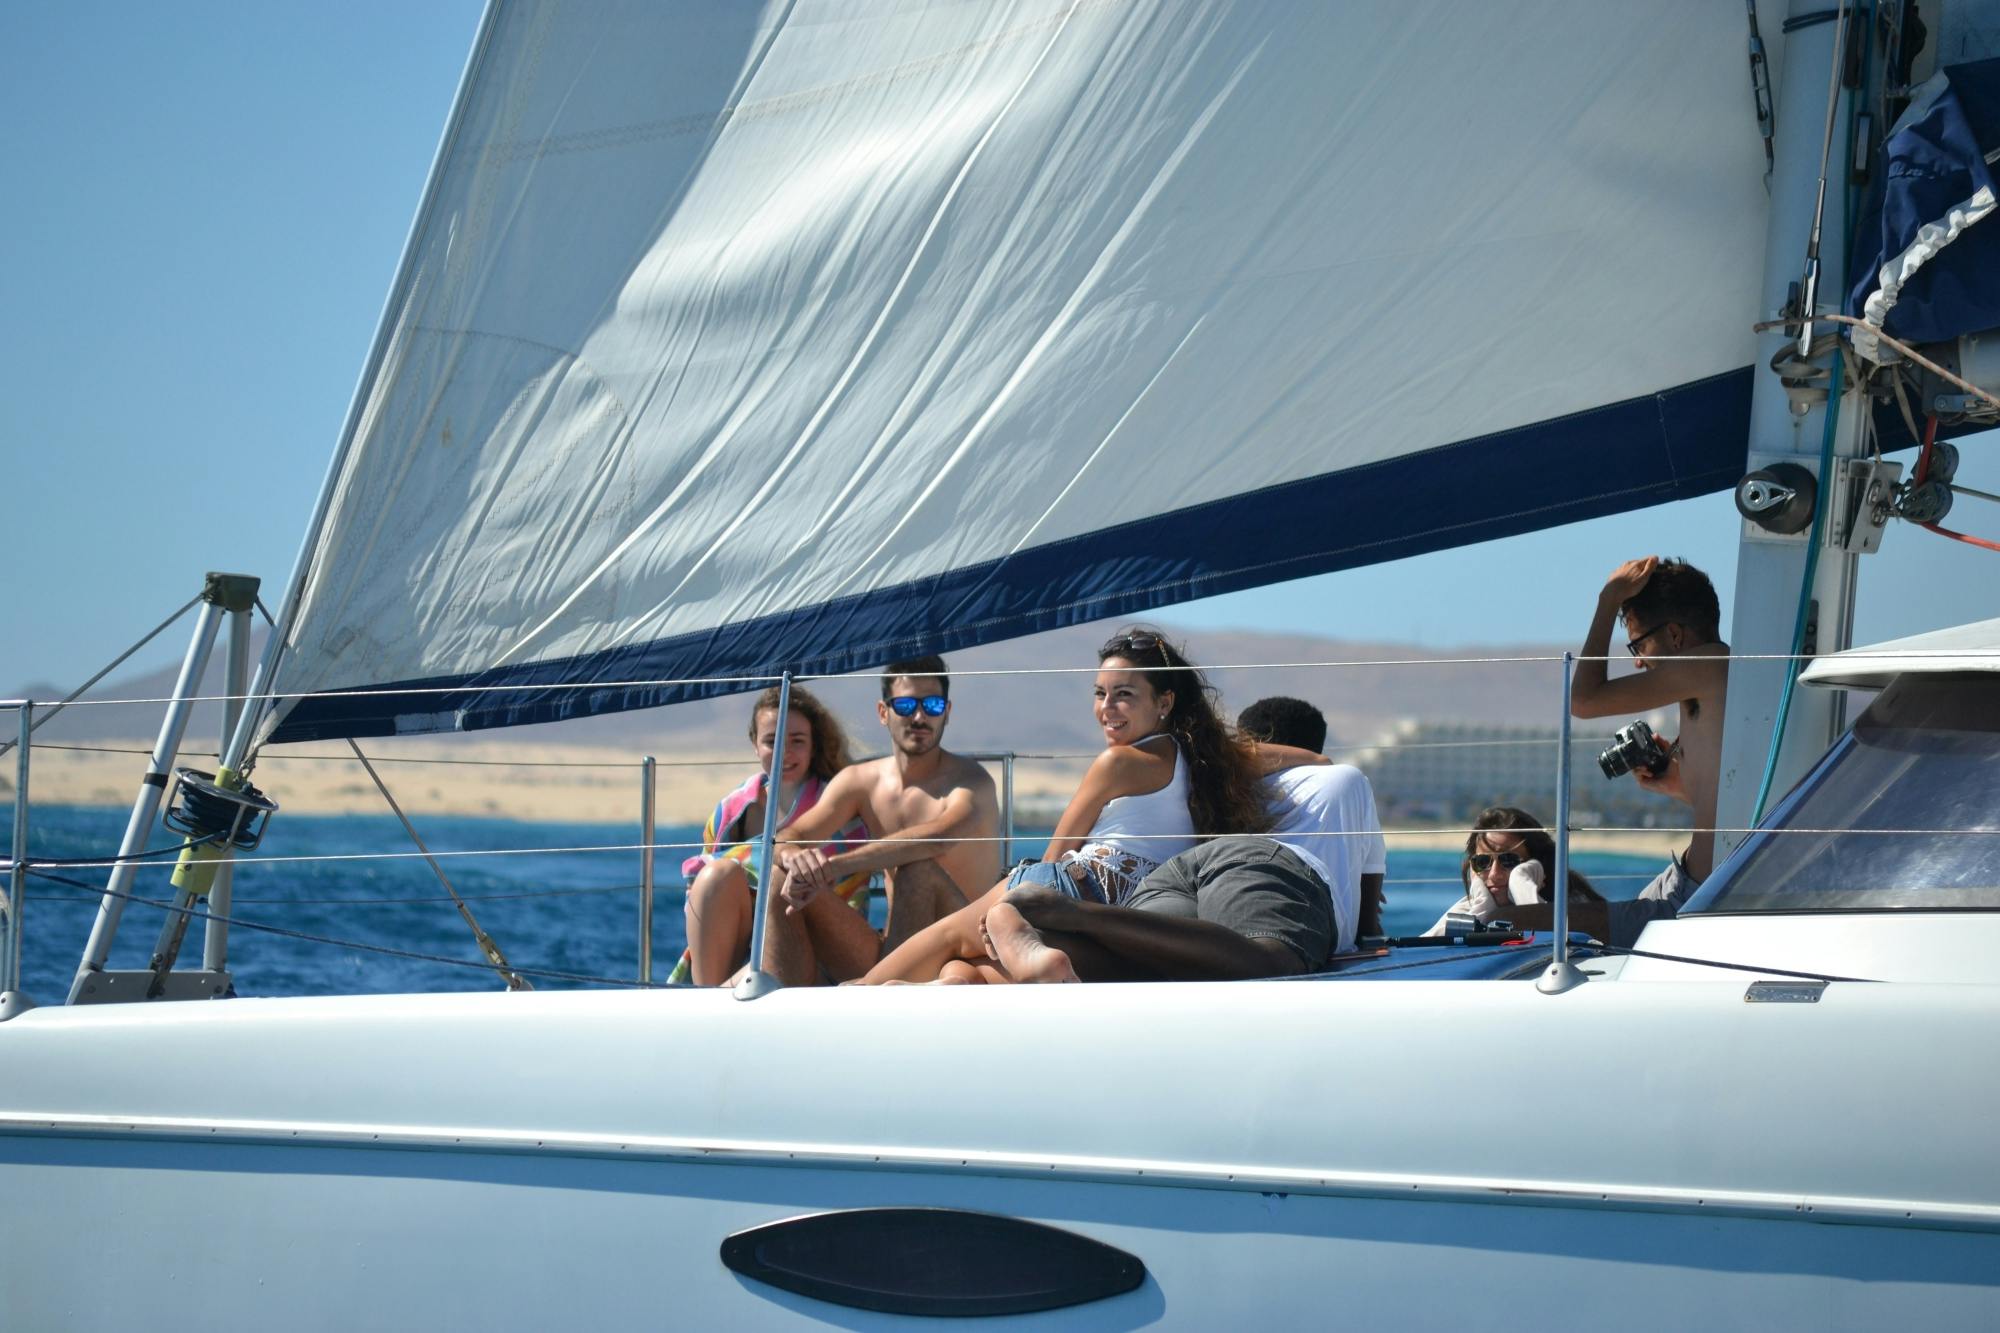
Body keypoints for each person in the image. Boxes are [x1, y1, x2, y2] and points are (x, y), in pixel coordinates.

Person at [857, 627, 1281, 984]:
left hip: (1076, 884)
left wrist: (1021, 892)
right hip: (1133, 910)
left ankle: (857, 992)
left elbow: (1054, 856)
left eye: (1123, 694)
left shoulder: (1118, 762)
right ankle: (952, 984)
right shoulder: (1213, 761)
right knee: (972, 966)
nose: (1106, 708)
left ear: (1164, 702)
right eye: (1100, 693)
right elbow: (1298, 756)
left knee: (949, 935)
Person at [750, 656, 1002, 985]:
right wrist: (793, 857)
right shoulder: (861, 781)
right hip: (897, 947)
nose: (920, 716)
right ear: (883, 712)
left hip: (965, 947)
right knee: (781, 874)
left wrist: (832, 867)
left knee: (917, 870)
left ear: (947, 712)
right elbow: (790, 834)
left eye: (933, 705)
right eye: (906, 705)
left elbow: (937, 838)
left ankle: (882, 989)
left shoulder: (972, 783)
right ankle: (780, 1006)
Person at [1567, 556, 1730, 946]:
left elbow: (1583, 701)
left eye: (1638, 644)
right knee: (1557, 911)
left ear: (1674, 635)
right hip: (1685, 882)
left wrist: (1608, 600)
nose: (1638, 661)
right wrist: (1677, 783)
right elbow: (1726, 801)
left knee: (1513, 922)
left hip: (1695, 902)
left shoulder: (1710, 665)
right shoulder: (1717, 677)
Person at [676, 685, 870, 985]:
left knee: (777, 878)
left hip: (815, 949)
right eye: (772, 741)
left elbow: (851, 895)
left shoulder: (838, 807)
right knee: (716, 875)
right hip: (740, 949)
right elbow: (701, 888)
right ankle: (712, 997)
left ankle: (720, 996)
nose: (784, 752)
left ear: (814, 745)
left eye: (797, 741)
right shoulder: (731, 812)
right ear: (755, 744)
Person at [977, 836, 1340, 983]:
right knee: (1270, 965)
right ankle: (1072, 913)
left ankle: (1040, 940)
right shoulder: (1336, 778)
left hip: (1163, 885)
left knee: (1143, 968)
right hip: (1250, 857)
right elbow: (1366, 917)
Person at [1237, 695, 1386, 952]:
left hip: (1233, 934)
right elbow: (1370, 873)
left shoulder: (1224, 789)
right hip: (1328, 944)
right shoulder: (1345, 782)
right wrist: (1369, 933)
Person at [1421, 806, 1605, 936]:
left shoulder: (1575, 906)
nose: (1494, 874)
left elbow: (1558, 946)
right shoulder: (1468, 909)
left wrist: (1522, 886)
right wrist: (1483, 909)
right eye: (1482, 862)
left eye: (1509, 860)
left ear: (1537, 865)